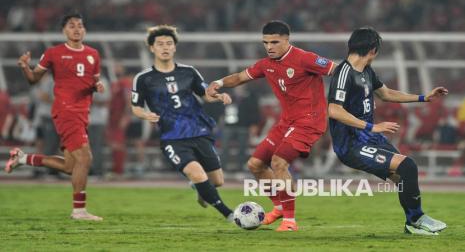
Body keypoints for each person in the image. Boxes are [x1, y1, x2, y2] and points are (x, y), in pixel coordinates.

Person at [207, 20, 335, 231]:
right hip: (287, 121)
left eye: (274, 42)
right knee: (255, 165)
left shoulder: (305, 58)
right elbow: (239, 77)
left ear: (287, 40)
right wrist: (218, 83)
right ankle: (279, 209)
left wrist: (350, 97)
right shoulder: (266, 64)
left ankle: (290, 221)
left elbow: (338, 70)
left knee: (278, 162)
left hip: (309, 122)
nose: (269, 47)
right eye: (266, 42)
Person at [327, 27, 448, 235]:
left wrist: (423, 98)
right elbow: (334, 110)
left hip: (369, 138)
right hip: (351, 145)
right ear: (373, 50)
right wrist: (372, 126)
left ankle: (413, 222)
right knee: (408, 166)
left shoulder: (366, 70)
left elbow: (386, 93)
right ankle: (416, 220)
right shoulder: (343, 73)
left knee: (403, 177)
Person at [4, 12, 104, 221]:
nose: (76, 29)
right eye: (71, 26)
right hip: (66, 111)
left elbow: (92, 81)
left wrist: (97, 85)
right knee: (85, 159)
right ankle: (79, 211)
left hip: (83, 112)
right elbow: (33, 79)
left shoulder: (93, 54)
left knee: (71, 166)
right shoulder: (54, 53)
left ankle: (23, 158)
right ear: (64, 31)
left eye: (80, 25)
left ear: (84, 30)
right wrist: (25, 67)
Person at [131, 25, 234, 221]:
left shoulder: (188, 72)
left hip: (198, 131)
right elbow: (135, 107)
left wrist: (219, 97)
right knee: (196, 173)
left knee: (217, 181)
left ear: (175, 47)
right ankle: (230, 214)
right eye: (160, 44)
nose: (165, 47)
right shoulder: (143, 78)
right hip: (172, 137)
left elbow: (205, 94)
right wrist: (145, 115)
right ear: (152, 48)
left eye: (169, 43)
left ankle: (199, 187)